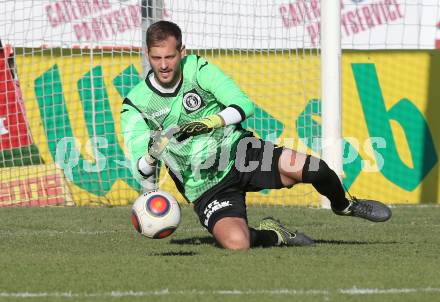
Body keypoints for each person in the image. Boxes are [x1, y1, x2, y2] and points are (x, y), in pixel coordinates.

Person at [121, 20, 391, 250]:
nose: (164, 65)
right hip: (203, 184)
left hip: (240, 152)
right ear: (147, 54)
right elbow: (140, 168)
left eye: (170, 56)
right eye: (156, 58)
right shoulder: (136, 103)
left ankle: (344, 205)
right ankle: (276, 234)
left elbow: (243, 106)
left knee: (316, 169)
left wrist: (208, 123)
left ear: (182, 51)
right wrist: (151, 155)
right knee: (237, 243)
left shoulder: (197, 68)